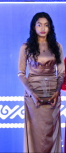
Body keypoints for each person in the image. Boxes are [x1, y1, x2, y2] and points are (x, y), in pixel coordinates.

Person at [18, 12, 65, 153]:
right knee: (35, 135)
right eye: (39, 24)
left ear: (50, 27)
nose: (43, 28)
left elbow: (61, 73)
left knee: (51, 134)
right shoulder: (26, 47)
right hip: (33, 96)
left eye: (46, 25)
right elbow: (21, 74)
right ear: (34, 27)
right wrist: (32, 94)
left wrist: (57, 92)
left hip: (53, 95)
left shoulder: (57, 46)